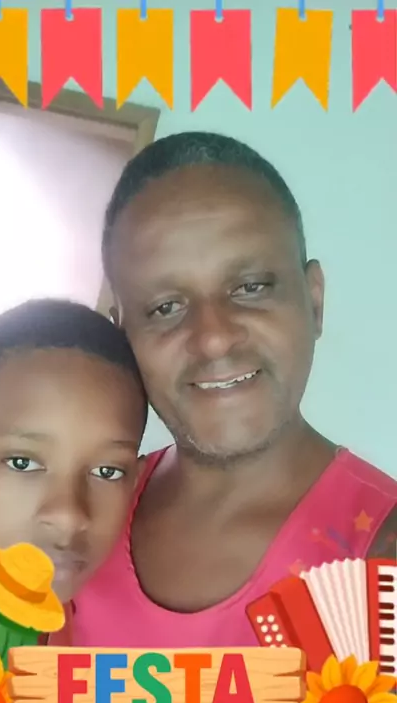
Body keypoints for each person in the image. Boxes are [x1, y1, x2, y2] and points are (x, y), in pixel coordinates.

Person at [53, 131, 396, 650]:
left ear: (314, 303)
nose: (213, 338)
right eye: (166, 307)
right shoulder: (81, 518)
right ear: (125, 338)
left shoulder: (382, 548)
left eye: (250, 288)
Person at [0, 297, 148, 654]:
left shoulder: (122, 660)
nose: (69, 515)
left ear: (134, 483)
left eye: (107, 471)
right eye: (22, 463)